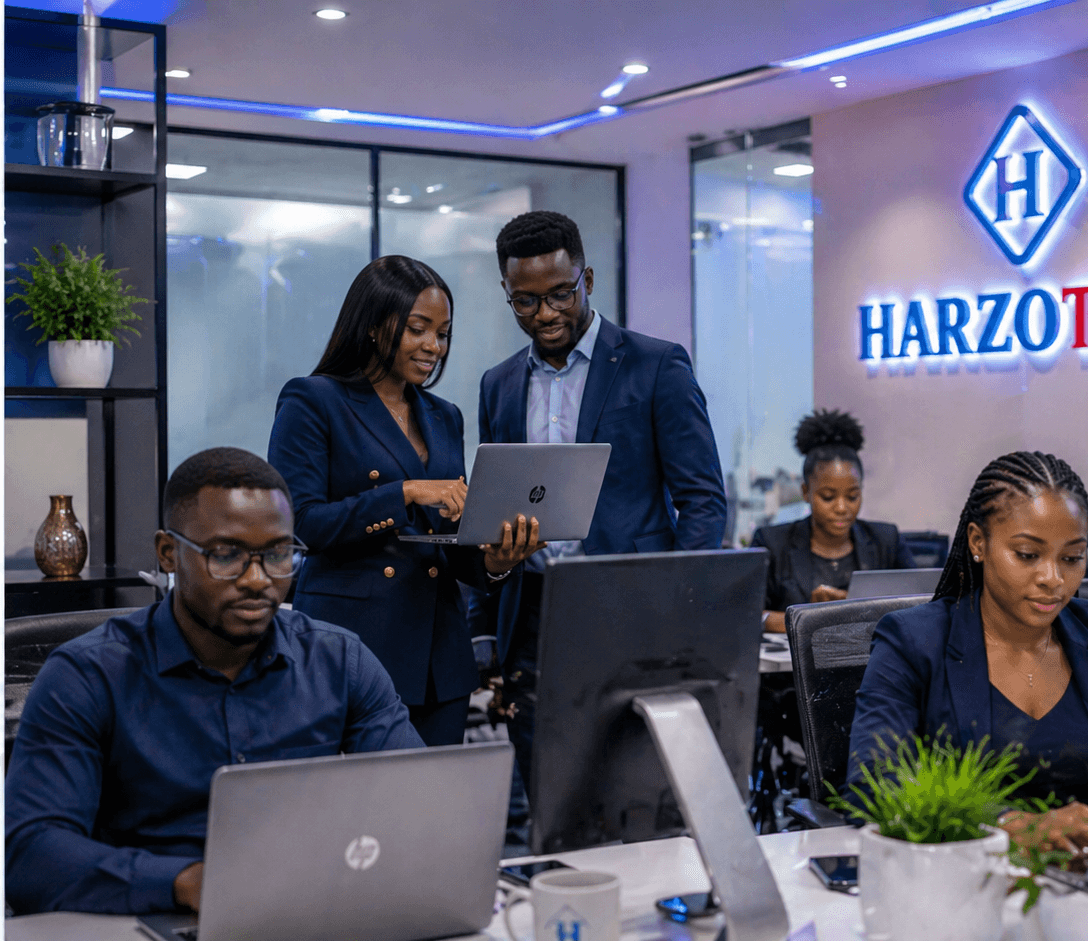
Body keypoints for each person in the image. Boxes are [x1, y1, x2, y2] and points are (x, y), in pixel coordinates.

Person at [4, 448, 425, 916]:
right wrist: (186, 883)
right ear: (168, 553)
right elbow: (30, 857)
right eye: (226, 555)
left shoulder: (340, 661)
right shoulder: (87, 676)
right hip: (146, 917)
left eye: (278, 554)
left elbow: (420, 808)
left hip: (306, 909)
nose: (257, 579)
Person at [475, 210, 726, 790]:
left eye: (560, 294)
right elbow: (493, 512)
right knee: (548, 792)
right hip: (532, 619)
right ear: (508, 294)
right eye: (525, 301)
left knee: (636, 789)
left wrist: (678, 603)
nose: (545, 314)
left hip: (634, 611)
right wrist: (483, 628)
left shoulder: (656, 365)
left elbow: (703, 500)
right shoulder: (498, 384)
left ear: (587, 280)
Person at [846, 451, 1088, 858]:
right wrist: (1012, 825)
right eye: (1028, 555)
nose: (1053, 578)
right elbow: (875, 781)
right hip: (967, 873)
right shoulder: (913, 641)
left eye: (1072, 558)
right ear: (978, 542)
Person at [269, 256, 542, 746]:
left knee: (436, 796)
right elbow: (301, 524)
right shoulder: (313, 400)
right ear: (374, 326)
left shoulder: (445, 416)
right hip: (353, 650)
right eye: (419, 329)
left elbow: (449, 540)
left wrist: (497, 561)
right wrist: (406, 492)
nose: (434, 346)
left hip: (440, 663)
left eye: (443, 333)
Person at [751, 409, 913, 633]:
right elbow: (747, 613)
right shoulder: (772, 543)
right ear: (806, 492)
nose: (841, 508)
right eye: (828, 497)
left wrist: (854, 610)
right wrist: (809, 618)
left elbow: (920, 607)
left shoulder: (886, 541)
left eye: (852, 496)